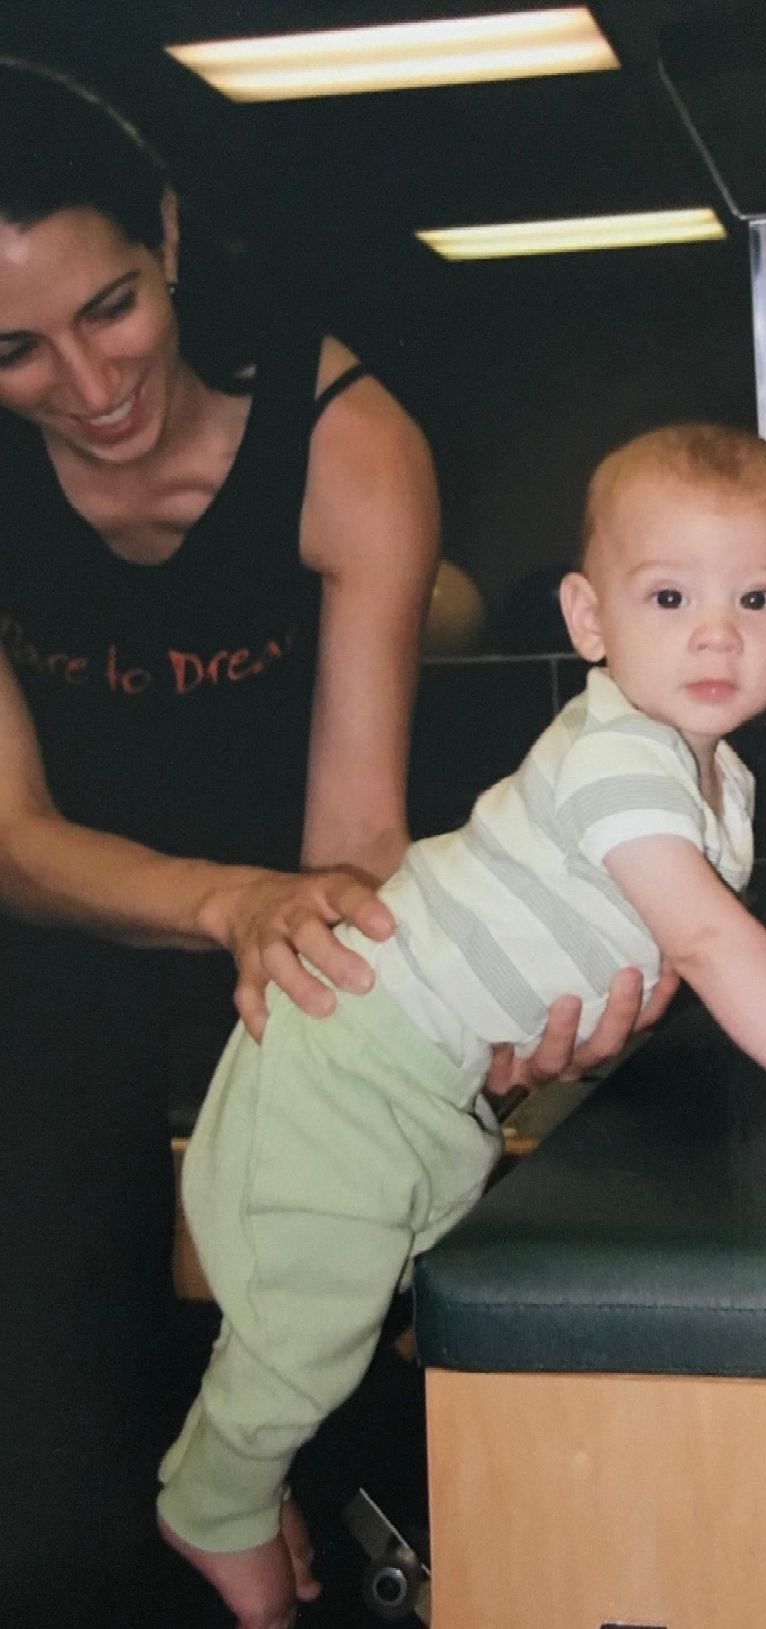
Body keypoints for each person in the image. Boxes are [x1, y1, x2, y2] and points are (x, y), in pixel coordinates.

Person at [0, 58, 667, 1625]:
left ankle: (270, 1489)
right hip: (69, 933)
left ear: (165, 236)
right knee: (55, 1473)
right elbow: (13, 840)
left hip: (307, 919)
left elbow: (353, 842)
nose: (87, 384)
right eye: (11, 350)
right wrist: (228, 904)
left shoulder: (343, 440)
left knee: (365, 1252)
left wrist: (447, 1019)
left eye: (110, 308)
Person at [158, 422, 766, 1629]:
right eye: (669, 595)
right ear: (590, 621)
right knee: (313, 1326)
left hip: (423, 1077)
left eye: (753, 598)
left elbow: (710, 945)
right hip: (353, 1052)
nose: (714, 632)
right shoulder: (619, 764)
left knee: (355, 1289)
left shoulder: (710, 773)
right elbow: (701, 944)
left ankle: (247, 1457)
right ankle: (212, 1504)